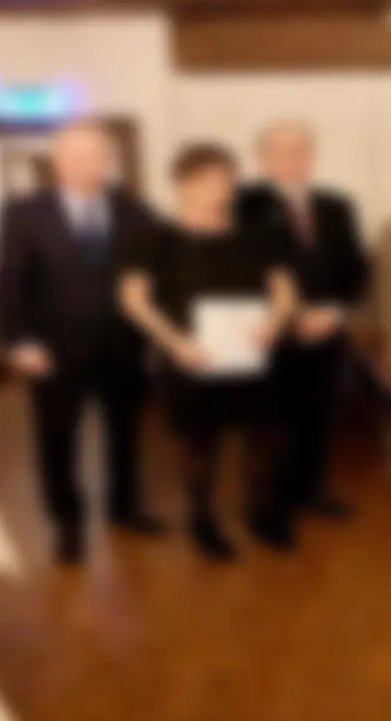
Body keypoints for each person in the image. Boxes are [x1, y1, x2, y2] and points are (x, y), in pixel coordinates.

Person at [0, 120, 165, 564]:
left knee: (126, 434)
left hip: (123, 348)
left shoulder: (134, 211)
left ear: (108, 161)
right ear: (56, 161)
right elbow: (10, 284)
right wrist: (20, 341)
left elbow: (158, 273)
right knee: (57, 439)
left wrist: (159, 335)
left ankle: (125, 509)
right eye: (73, 155)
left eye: (94, 155)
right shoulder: (24, 214)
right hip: (54, 351)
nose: (83, 164)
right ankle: (68, 523)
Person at [118, 143, 298, 560]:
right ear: (182, 184)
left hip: (253, 350)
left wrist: (274, 323)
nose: (222, 190)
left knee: (266, 435)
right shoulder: (153, 238)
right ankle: (202, 520)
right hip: (190, 356)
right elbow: (133, 299)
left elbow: (284, 290)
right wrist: (175, 343)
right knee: (200, 440)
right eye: (211, 181)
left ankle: (261, 514)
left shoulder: (257, 236)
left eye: (227, 181)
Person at [236, 120, 368, 520]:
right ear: (263, 159)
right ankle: (270, 500)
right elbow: (240, 269)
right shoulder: (243, 205)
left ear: (312, 156)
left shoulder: (337, 204)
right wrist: (292, 315)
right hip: (272, 329)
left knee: (319, 416)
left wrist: (336, 311)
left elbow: (355, 266)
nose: (292, 159)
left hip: (327, 328)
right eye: (280, 151)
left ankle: (311, 490)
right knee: (271, 421)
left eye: (300, 150)